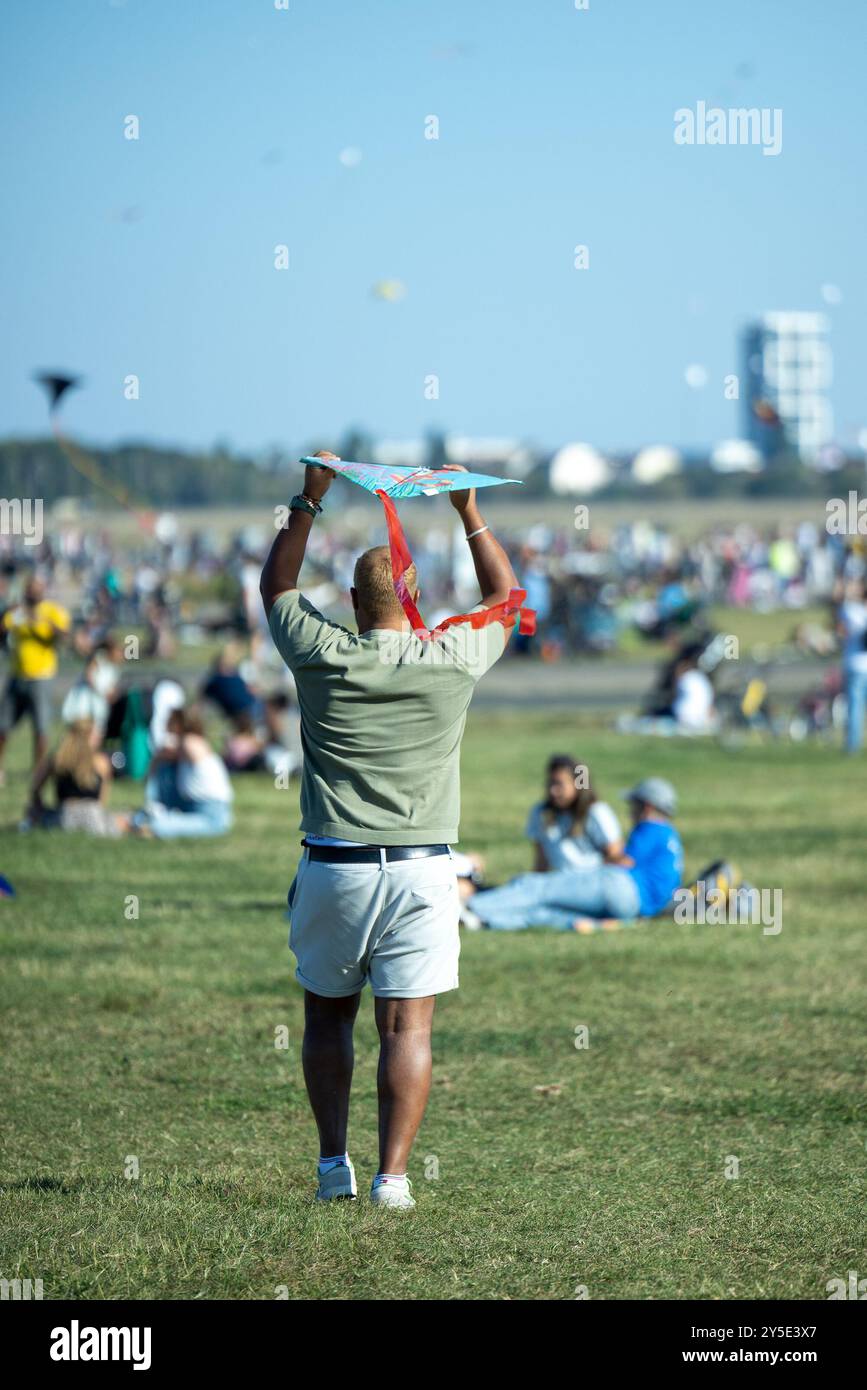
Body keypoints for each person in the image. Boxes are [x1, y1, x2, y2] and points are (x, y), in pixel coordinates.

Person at [260, 452, 515, 1208]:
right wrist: (469, 511)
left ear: (349, 599)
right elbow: (504, 597)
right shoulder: (448, 657)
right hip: (421, 870)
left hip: (332, 865)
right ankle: (392, 1180)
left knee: (326, 1020)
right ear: (416, 597)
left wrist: (308, 501)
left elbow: (275, 587)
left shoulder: (322, 653)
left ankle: (332, 1165)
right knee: (406, 1030)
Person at [463, 777, 683, 932]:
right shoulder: (672, 837)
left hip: (620, 888)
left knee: (538, 886)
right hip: (636, 908)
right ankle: (483, 921)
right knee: (549, 913)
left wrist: (595, 865)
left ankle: (468, 907)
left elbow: (624, 862)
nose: (630, 811)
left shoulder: (651, 828)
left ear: (646, 807)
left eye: (633, 805)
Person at [0, 576, 70, 778]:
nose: (32, 593)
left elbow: (64, 635)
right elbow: (3, 629)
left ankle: (38, 771)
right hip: (17, 674)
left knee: (41, 727)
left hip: (41, 676)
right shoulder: (18, 612)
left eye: (36, 589)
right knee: (4, 725)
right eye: (29, 589)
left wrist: (44, 623)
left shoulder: (52, 611)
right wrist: (10, 616)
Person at [131, 708, 233, 838]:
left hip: (210, 813)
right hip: (193, 805)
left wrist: (150, 774)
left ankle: (156, 817)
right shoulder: (192, 743)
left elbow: (162, 753)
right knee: (167, 766)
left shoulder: (190, 742)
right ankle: (157, 812)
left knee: (159, 826)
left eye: (170, 721)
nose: (166, 725)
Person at [526, 754, 624, 871]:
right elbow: (541, 860)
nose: (553, 791)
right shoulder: (541, 813)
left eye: (559, 784)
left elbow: (616, 856)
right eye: (550, 783)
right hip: (561, 882)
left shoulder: (596, 812)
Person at [27, 718, 120, 836]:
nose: (100, 737)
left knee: (33, 813)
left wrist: (38, 805)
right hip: (94, 817)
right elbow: (101, 801)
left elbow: (36, 787)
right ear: (88, 737)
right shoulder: (101, 762)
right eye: (96, 735)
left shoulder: (58, 759)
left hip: (65, 816)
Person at [837, 578, 867, 753]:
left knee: (854, 708)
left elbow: (841, 632)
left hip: (855, 664)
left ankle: (852, 746)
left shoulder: (850, 610)